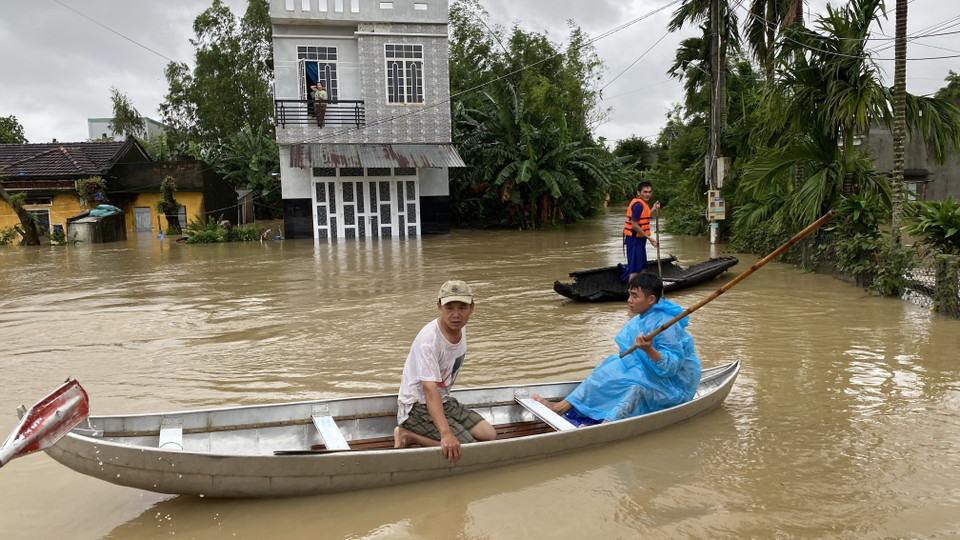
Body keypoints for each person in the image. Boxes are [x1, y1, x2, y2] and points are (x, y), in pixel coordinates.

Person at [533, 273, 701, 426]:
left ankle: (604, 425)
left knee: (636, 388)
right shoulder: (640, 319)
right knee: (604, 372)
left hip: (673, 386)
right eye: (629, 294)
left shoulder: (666, 324)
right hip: (649, 371)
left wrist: (649, 350)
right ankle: (560, 408)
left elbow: (672, 367)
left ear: (650, 299)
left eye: (634, 296)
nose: (629, 300)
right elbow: (632, 355)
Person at [394, 280, 497, 462]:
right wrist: (446, 433)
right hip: (417, 407)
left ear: (471, 308)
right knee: (468, 448)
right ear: (439, 307)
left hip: (443, 401)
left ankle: (430, 434)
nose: (456, 315)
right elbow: (428, 388)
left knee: (489, 435)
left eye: (462, 307)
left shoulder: (460, 328)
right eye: (449, 308)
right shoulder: (430, 340)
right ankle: (407, 435)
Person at [622, 181, 661, 282]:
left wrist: (653, 208)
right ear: (639, 192)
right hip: (634, 240)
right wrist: (650, 238)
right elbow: (634, 225)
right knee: (635, 271)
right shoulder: (638, 205)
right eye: (645, 192)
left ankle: (641, 289)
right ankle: (631, 294)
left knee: (643, 268)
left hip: (640, 240)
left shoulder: (643, 204)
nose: (648, 194)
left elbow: (645, 218)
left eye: (649, 192)